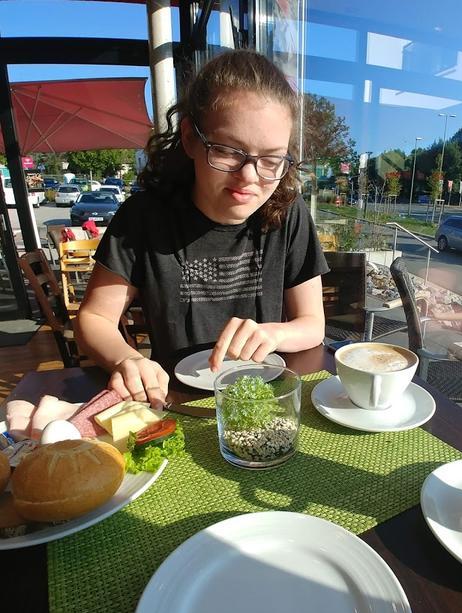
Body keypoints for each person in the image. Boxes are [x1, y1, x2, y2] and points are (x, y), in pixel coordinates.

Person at [77, 50, 328, 410]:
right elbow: (94, 318)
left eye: (272, 160)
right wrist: (125, 359)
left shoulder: (288, 213)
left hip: (261, 400)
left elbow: (312, 325)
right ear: (191, 140)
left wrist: (272, 333)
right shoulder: (144, 216)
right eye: (228, 151)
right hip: (171, 400)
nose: (250, 176)